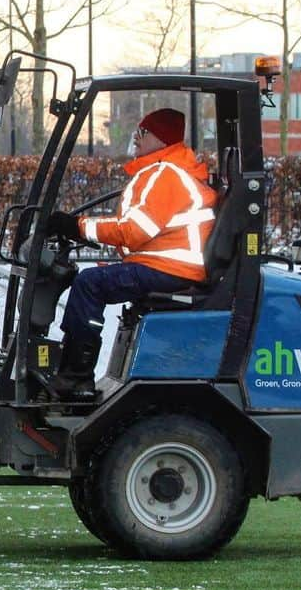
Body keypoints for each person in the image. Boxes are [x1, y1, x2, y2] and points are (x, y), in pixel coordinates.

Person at [45, 107, 217, 396]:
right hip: (165, 265)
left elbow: (134, 232)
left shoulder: (165, 174)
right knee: (97, 279)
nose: (136, 137)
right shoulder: (166, 170)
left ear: (161, 140)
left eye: (143, 132)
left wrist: (77, 227)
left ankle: (76, 377)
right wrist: (86, 232)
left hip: (170, 270)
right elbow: (137, 233)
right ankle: (75, 372)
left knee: (89, 284)